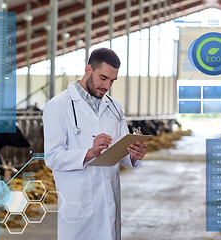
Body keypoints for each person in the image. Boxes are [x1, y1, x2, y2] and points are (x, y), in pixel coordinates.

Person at [43, 48, 147, 240]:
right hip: (78, 204)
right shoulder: (58, 106)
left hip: (109, 200)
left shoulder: (114, 106)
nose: (107, 85)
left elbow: (120, 149)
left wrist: (132, 153)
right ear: (88, 69)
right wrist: (90, 152)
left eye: (112, 81)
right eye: (103, 78)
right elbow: (52, 157)